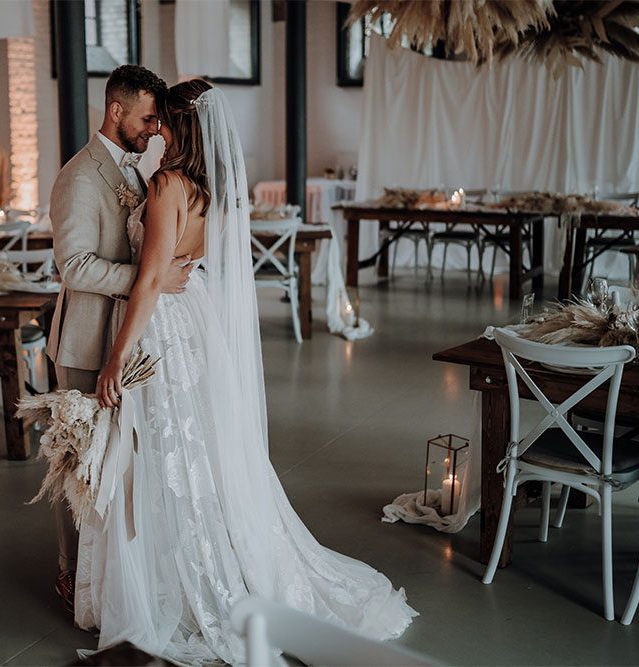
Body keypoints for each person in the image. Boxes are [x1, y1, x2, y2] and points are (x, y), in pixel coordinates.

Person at [76, 79, 417, 664]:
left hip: (162, 328)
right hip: (197, 325)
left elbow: (152, 279)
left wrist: (115, 358)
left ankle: (177, 581)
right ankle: (206, 557)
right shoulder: (217, 191)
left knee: (163, 452)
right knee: (198, 450)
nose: (154, 128)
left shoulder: (166, 185)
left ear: (180, 128)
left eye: (162, 121)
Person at [47, 65, 193, 611]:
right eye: (148, 118)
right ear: (116, 110)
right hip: (84, 342)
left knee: (115, 462)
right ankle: (69, 573)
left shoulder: (135, 171)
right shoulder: (79, 178)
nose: (155, 129)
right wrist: (149, 280)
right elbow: (76, 267)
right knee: (77, 462)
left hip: (120, 340)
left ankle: (103, 575)